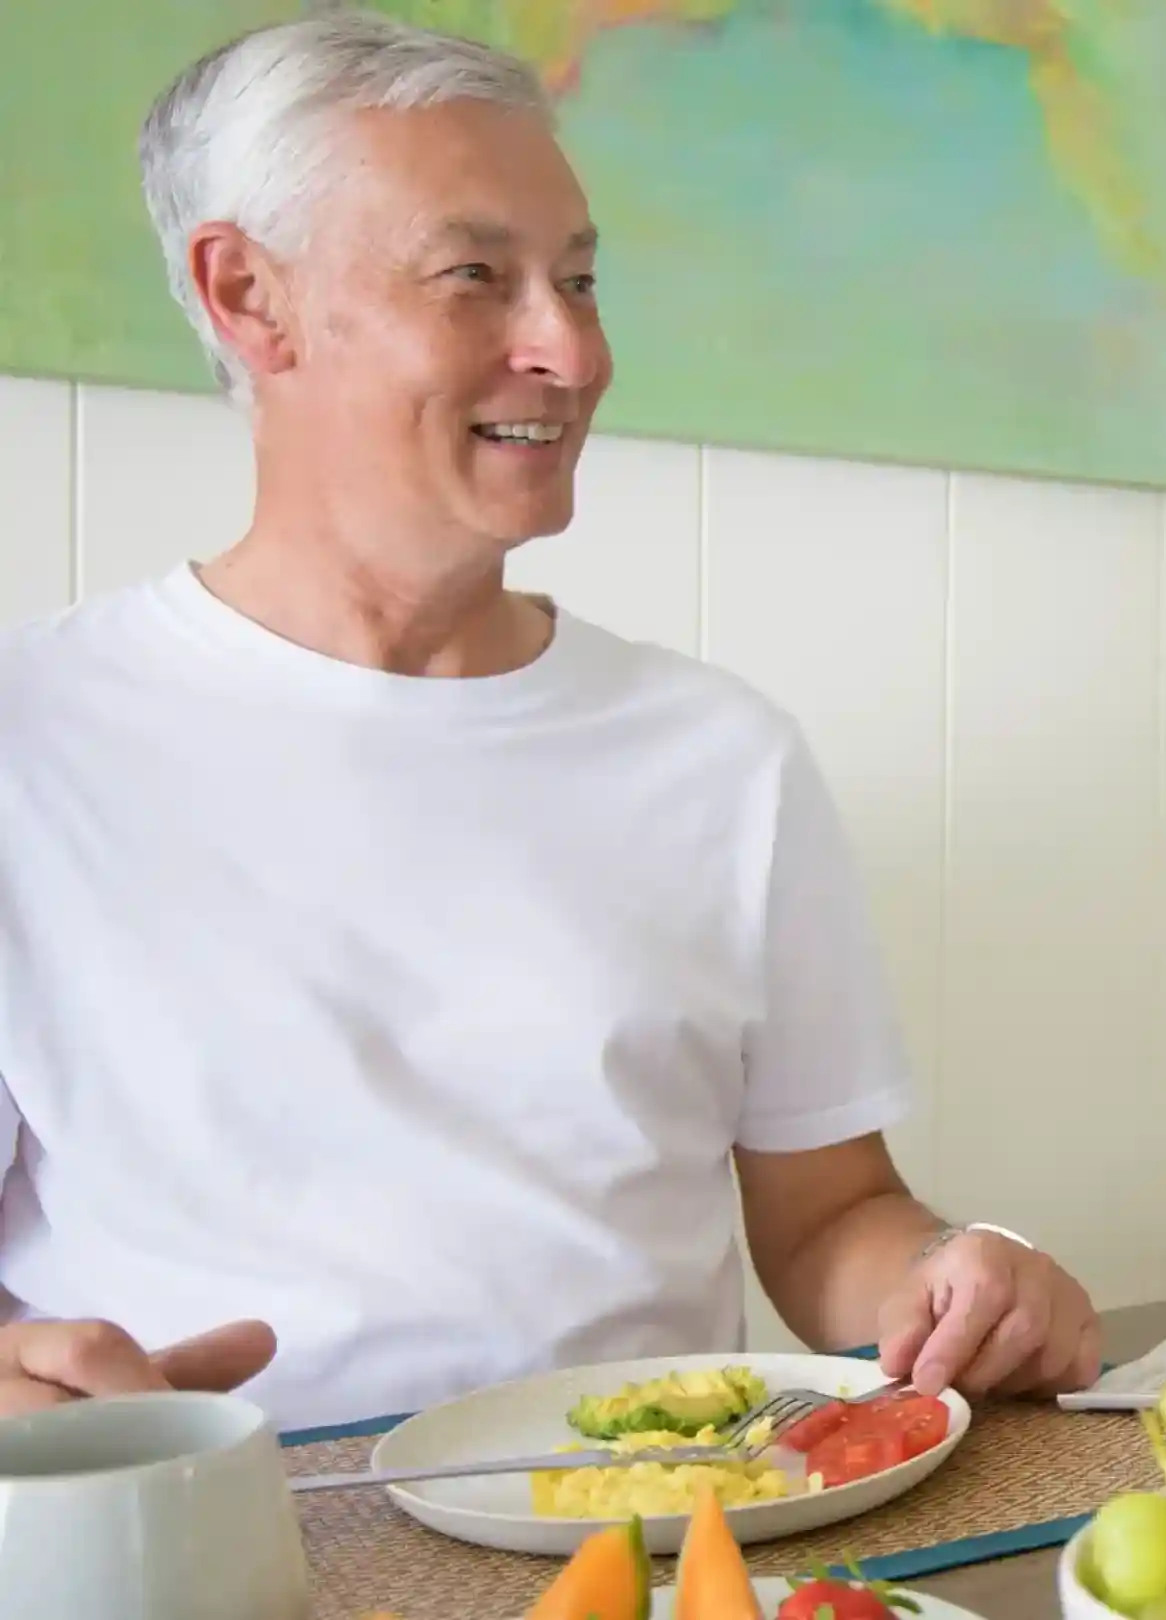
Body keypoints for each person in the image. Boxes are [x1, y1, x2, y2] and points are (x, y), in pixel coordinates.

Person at [0, 12, 1099, 1430]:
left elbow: (833, 1221)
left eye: (579, 282)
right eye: (477, 277)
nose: (571, 353)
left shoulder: (721, 759)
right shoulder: (33, 740)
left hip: (652, 1540)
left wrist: (953, 1278)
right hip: (198, 1540)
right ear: (248, 297)